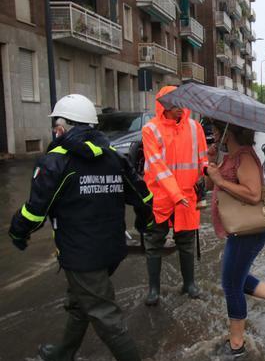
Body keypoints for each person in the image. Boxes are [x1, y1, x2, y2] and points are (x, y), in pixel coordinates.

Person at [8, 94, 154, 361]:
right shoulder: (114, 158)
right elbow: (143, 197)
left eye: (55, 125)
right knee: (79, 303)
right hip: (112, 250)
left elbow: (35, 211)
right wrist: (145, 223)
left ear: (63, 126)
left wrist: (18, 231)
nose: (54, 131)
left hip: (82, 255)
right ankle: (63, 353)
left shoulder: (56, 161)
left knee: (105, 317)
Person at [205, 120, 265, 358]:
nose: (213, 132)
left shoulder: (244, 157)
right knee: (235, 277)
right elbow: (210, 185)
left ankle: (237, 344)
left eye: (216, 128)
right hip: (238, 229)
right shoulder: (229, 155)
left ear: (229, 132)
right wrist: (210, 163)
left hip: (249, 230)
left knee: (231, 284)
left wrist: (221, 181)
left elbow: (255, 195)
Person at [141, 86, 208, 306]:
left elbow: (202, 158)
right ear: (165, 105)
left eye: (182, 102)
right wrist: (176, 194)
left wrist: (206, 174)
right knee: (154, 242)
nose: (181, 107)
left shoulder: (194, 127)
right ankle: (154, 289)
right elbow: (157, 167)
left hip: (187, 196)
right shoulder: (151, 130)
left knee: (187, 241)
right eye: (176, 103)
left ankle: (189, 284)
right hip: (160, 197)